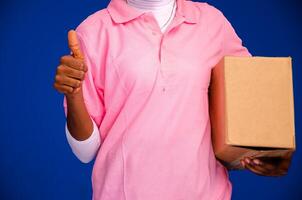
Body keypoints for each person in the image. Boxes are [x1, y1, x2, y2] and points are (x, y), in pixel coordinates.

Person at [53, 0, 293, 199]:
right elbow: (85, 152)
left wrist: (270, 151)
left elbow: (248, 105)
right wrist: (74, 96)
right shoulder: (94, 31)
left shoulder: (211, 23)